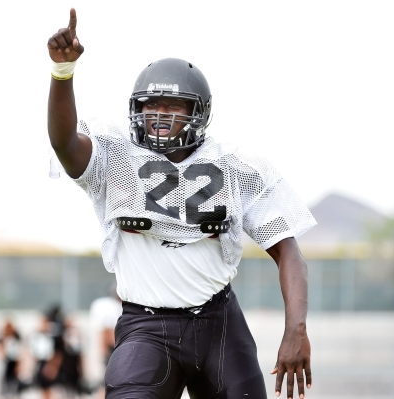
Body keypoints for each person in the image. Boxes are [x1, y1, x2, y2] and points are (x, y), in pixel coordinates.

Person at [46, 8, 316, 399]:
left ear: (199, 113)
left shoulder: (235, 165)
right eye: (150, 105)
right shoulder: (115, 155)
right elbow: (64, 142)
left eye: (174, 106)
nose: (159, 115)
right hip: (146, 327)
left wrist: (297, 329)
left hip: (218, 323)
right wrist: (62, 73)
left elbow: (288, 250)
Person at [0, 318, 22, 398]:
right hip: (5, 362)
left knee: (13, 383)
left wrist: (18, 365)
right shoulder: (2, 337)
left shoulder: (16, 337)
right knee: (5, 383)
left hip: (13, 362)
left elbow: (19, 353)